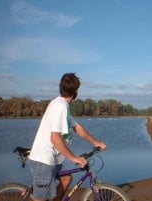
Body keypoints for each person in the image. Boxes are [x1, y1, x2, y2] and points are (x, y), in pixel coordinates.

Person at [28, 73, 107, 201]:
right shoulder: (60, 106)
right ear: (76, 91)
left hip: (53, 160)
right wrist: (74, 158)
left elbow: (77, 127)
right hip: (44, 160)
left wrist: (94, 141)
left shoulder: (62, 104)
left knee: (66, 178)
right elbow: (55, 138)